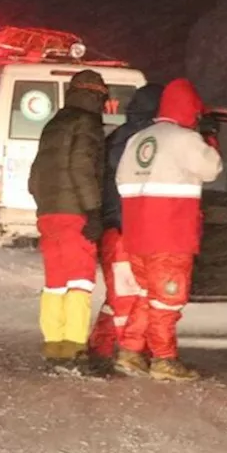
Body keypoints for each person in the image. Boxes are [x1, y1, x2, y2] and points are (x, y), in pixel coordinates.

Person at [114, 77, 222, 381]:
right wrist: (209, 138)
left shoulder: (139, 139)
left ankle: (131, 351)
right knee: (167, 300)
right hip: (170, 234)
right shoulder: (184, 139)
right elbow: (212, 169)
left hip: (136, 233)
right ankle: (164, 359)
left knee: (147, 295)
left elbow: (120, 180)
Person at [28, 69, 109, 372]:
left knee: (55, 283)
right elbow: (81, 168)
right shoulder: (86, 123)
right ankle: (74, 347)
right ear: (96, 96)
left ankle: (55, 345)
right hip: (74, 213)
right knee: (80, 282)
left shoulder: (54, 124)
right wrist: (92, 210)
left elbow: (35, 176)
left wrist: (45, 203)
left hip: (48, 213)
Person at [89, 83, 164, 374]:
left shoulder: (124, 136)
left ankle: (103, 346)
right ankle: (127, 352)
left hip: (117, 226)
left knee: (119, 295)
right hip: (123, 227)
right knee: (126, 295)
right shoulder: (140, 140)